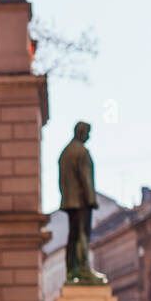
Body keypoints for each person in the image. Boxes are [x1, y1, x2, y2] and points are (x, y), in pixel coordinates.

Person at [58, 121, 108, 285]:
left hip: (70, 202)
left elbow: (62, 180)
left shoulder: (65, 153)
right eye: (88, 132)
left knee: (72, 237)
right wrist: (91, 199)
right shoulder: (81, 152)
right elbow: (86, 177)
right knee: (82, 236)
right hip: (81, 202)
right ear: (81, 132)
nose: (89, 136)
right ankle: (85, 271)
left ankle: (72, 271)